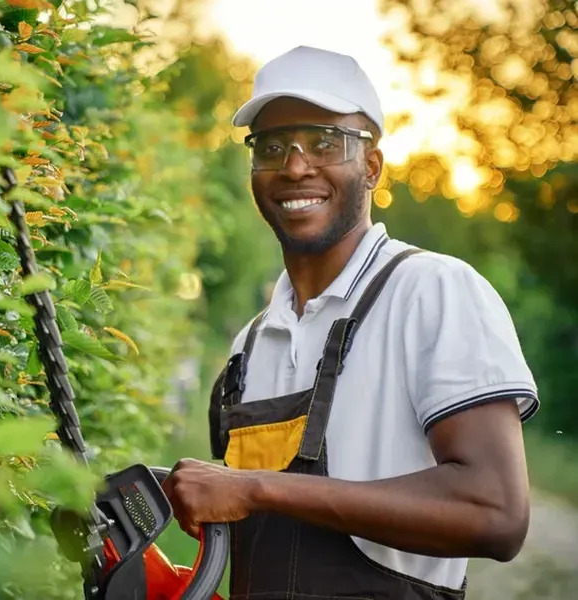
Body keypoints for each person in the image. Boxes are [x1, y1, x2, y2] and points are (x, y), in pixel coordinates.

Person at [161, 45, 539, 599]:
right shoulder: (252, 341)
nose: (294, 166)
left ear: (372, 165)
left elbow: (497, 513)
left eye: (323, 143)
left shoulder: (432, 291)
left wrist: (257, 488)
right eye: (271, 146)